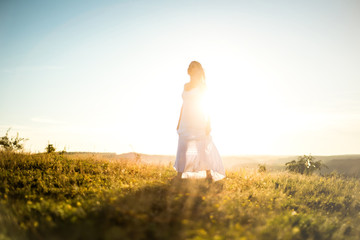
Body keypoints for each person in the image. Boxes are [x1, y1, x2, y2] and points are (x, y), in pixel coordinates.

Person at [174, 61, 226, 182]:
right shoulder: (185, 86)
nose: (192, 69)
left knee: (202, 147)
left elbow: (208, 104)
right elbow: (183, 105)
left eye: (195, 67)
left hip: (198, 119)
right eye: (190, 67)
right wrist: (178, 121)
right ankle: (179, 174)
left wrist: (209, 122)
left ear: (199, 70)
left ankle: (208, 174)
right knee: (183, 147)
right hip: (185, 120)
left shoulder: (202, 86)